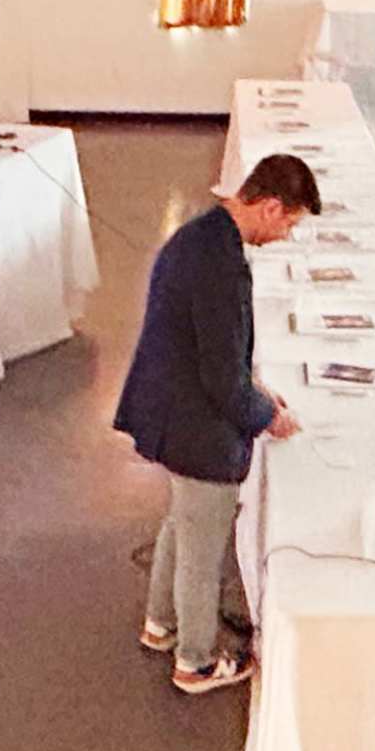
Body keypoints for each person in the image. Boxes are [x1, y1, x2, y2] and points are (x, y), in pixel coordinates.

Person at [111, 150, 319, 695]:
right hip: (195, 425)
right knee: (203, 551)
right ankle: (196, 662)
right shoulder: (222, 268)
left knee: (181, 525)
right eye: (289, 224)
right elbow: (223, 383)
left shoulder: (203, 234)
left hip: (169, 405)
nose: (285, 237)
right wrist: (266, 415)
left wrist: (254, 387)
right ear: (271, 207)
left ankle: (161, 623)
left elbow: (219, 353)